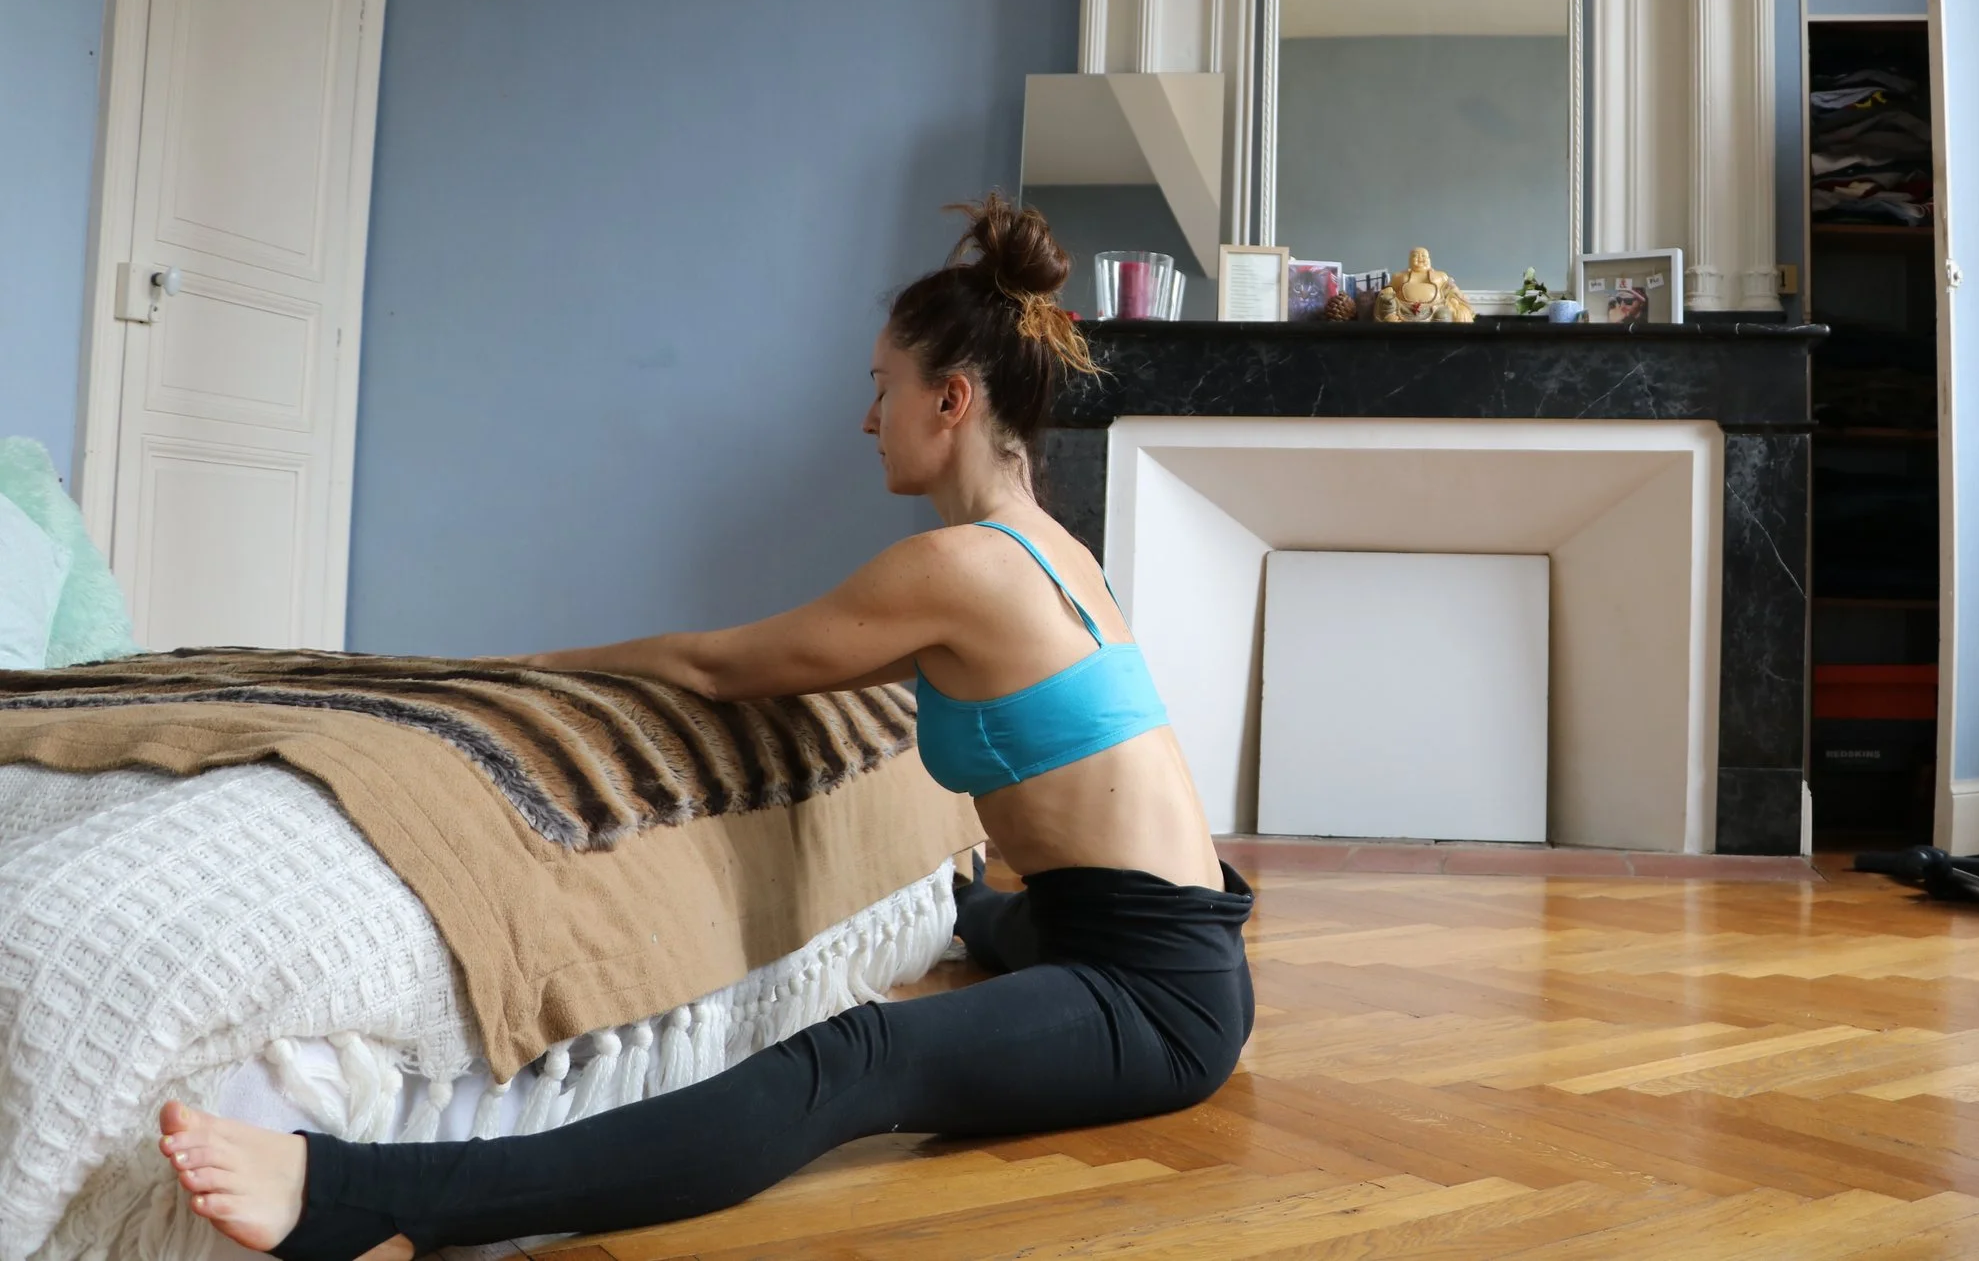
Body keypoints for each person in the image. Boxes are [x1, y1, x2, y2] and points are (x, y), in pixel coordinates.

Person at [155, 196, 1252, 1261]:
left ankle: (376, 1197)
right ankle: (977, 914)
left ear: (951, 400)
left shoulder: (959, 567)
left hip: (1154, 995)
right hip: (1147, 934)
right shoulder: (1056, 551)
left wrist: (523, 666)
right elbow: (804, 668)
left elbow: (717, 665)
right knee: (973, 912)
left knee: (856, 1057)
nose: (869, 417)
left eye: (884, 387)